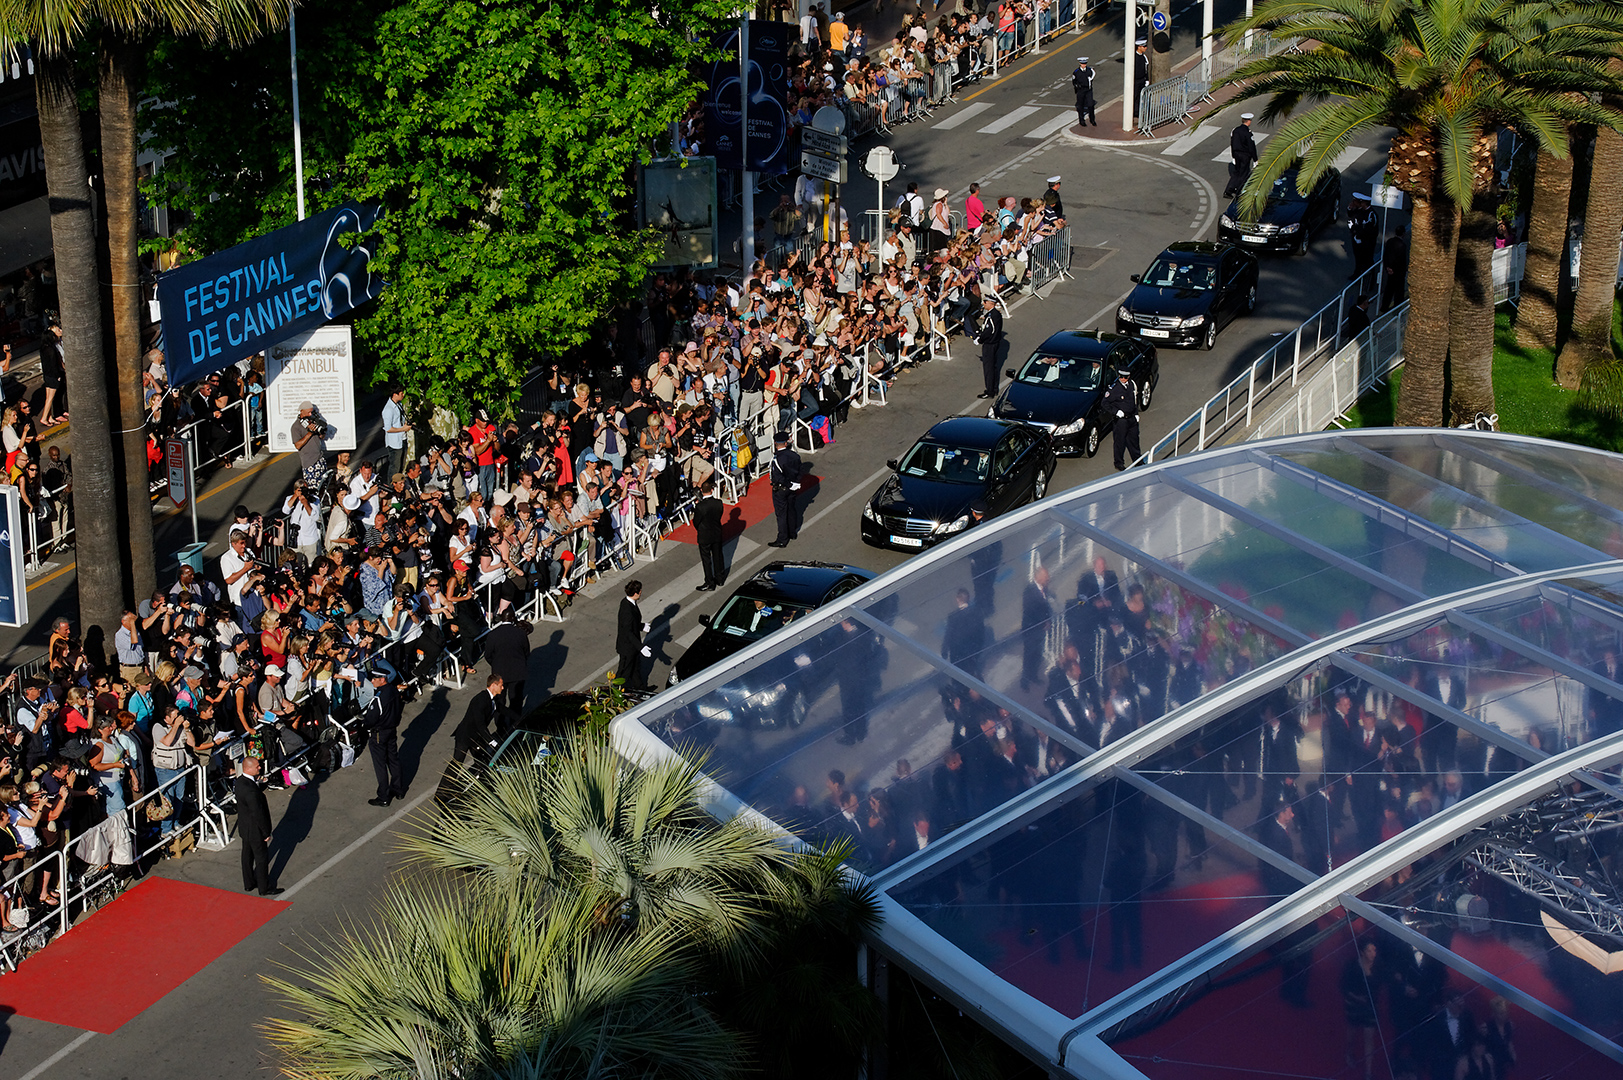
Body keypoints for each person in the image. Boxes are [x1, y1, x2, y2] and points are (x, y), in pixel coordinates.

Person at [234, 755, 280, 895]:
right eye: (257, 766)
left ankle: (248, 883)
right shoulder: (251, 791)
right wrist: (266, 832)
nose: (260, 767)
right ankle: (264, 887)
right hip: (255, 830)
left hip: (245, 828)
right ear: (248, 769)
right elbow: (258, 813)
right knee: (261, 859)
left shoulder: (240, 782)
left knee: (247, 856)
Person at [361, 669, 406, 807]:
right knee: (393, 759)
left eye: (374, 679)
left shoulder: (379, 698)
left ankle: (383, 796)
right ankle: (398, 790)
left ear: (382, 679)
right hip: (391, 730)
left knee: (380, 765)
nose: (372, 681)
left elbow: (371, 718)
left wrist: (363, 724)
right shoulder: (393, 691)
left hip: (379, 733)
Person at [452, 673, 508, 764]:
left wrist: (521, 718)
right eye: (501, 685)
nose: (503, 688)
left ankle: (480, 776)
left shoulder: (492, 700)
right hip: (465, 736)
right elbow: (480, 724)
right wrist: (491, 741)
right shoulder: (480, 700)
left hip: (476, 737)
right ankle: (447, 779)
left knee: (482, 761)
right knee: (457, 762)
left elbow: (504, 710)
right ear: (494, 685)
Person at [768, 431, 804, 548]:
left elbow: (778, 477)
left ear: (775, 443)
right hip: (793, 486)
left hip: (781, 488)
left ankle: (783, 539)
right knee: (791, 510)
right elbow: (799, 470)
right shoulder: (795, 455)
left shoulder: (777, 458)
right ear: (786, 443)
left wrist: (788, 484)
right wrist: (796, 483)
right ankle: (792, 532)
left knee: (781, 514)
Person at [1101, 370, 1140, 470]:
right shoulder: (1114, 389)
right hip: (1121, 420)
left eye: (1125, 377)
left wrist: (1136, 413)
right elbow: (1104, 403)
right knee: (1120, 442)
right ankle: (1119, 462)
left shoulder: (1132, 384)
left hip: (1131, 418)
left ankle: (1138, 460)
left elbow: (1134, 400)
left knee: (1134, 440)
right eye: (1121, 377)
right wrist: (1116, 411)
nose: (1123, 379)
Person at [616, 580, 651, 689]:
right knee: (624, 674)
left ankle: (641, 689)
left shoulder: (626, 602)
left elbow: (630, 624)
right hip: (628, 647)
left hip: (632, 647)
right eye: (640, 591)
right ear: (636, 593)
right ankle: (617, 695)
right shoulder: (628, 610)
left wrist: (641, 626)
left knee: (635, 668)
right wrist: (641, 647)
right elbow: (627, 631)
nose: (641, 592)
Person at [693, 479, 726, 591]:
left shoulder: (700, 507)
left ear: (702, 491)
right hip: (716, 533)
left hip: (704, 536)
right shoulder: (718, 503)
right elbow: (719, 515)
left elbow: (696, 522)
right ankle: (720, 578)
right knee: (718, 556)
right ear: (712, 490)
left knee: (706, 559)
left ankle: (709, 582)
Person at [291, 400, 328, 487]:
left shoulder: (312, 421)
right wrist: (310, 433)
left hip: (320, 459)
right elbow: (298, 445)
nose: (310, 414)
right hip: (309, 463)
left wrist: (321, 432)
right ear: (301, 411)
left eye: (311, 412)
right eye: (308, 412)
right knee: (313, 488)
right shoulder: (295, 427)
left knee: (324, 486)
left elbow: (321, 437)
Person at [974, 293, 1003, 399]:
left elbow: (989, 331)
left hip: (989, 345)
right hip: (995, 343)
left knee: (988, 369)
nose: (983, 304)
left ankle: (989, 391)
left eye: (985, 302)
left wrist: (980, 339)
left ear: (990, 303)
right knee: (993, 367)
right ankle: (993, 388)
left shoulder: (992, 316)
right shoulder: (996, 314)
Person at [1348, 193, 1379, 281]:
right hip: (1357, 240)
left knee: (1368, 259)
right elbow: (1352, 215)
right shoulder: (1360, 210)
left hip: (1367, 243)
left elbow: (1370, 230)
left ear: (1364, 203)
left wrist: (1360, 235)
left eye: (1360, 202)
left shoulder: (1371, 214)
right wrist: (1350, 208)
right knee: (1358, 258)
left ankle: (1371, 278)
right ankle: (1357, 273)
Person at [381, 385, 411, 478]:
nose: (403, 395)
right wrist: (403, 429)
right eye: (401, 393)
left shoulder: (399, 405)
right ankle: (391, 487)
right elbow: (388, 428)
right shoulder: (388, 409)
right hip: (395, 443)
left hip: (402, 439)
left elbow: (399, 421)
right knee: (395, 467)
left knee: (401, 466)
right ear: (395, 394)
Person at [1227, 113, 1258, 198]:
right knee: (1244, 173)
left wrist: (1233, 155)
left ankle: (1229, 189)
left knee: (1237, 172)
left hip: (1236, 154)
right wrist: (1255, 159)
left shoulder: (1235, 130)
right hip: (1244, 155)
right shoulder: (1248, 133)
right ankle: (1239, 191)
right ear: (1248, 121)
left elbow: (1233, 143)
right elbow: (1251, 147)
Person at [1072, 58, 1096, 127]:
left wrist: (1090, 81)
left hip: (1088, 90)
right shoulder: (1076, 72)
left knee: (1091, 105)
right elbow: (1074, 80)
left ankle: (1092, 120)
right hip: (1081, 90)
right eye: (1082, 64)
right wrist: (1076, 87)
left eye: (1085, 64)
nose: (1084, 65)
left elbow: (1093, 75)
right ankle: (1082, 121)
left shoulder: (1089, 70)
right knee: (1080, 106)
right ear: (1080, 64)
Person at [1133, 39, 1149, 115]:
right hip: (1135, 80)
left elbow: (1146, 69)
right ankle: (1134, 111)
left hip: (1142, 80)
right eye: (1144, 46)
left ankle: (1140, 111)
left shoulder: (1144, 57)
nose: (1146, 48)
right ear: (1139, 47)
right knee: (1134, 96)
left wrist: (1147, 79)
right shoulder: (1133, 57)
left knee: (1141, 96)